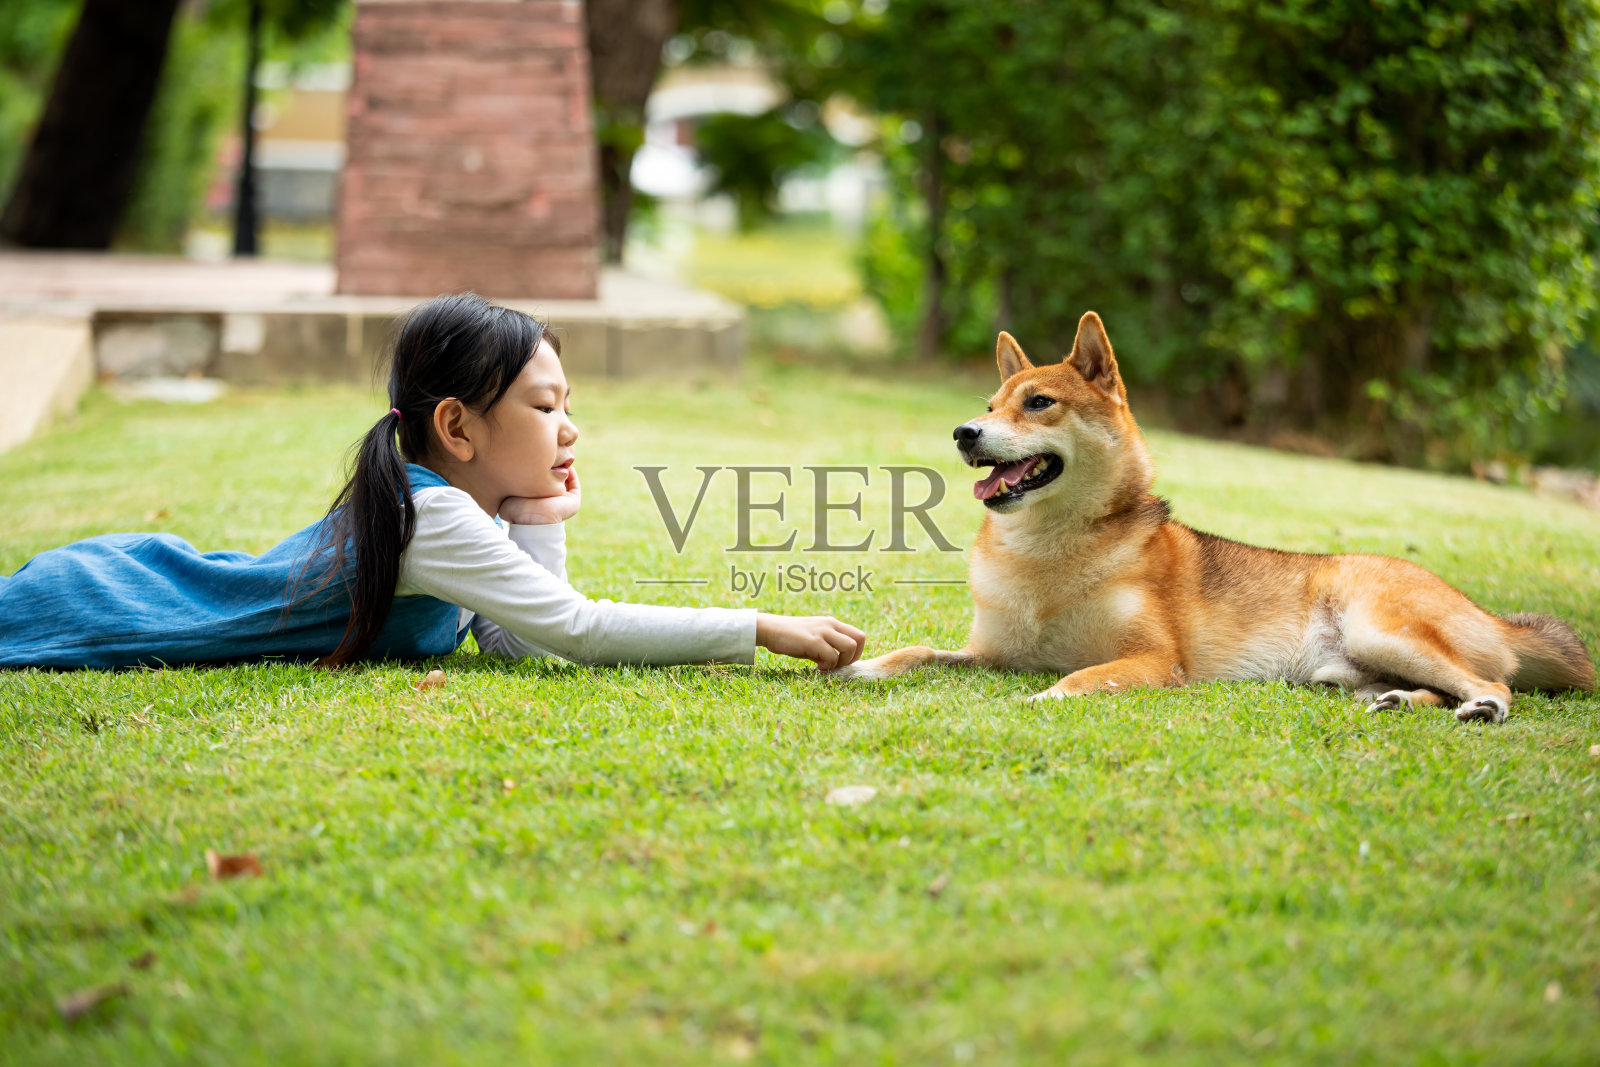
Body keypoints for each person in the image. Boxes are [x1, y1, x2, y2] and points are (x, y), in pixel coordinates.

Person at [0, 294, 867, 672]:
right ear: (456, 427)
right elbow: (576, 628)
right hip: (113, 599)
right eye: (543, 407)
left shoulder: (454, 515)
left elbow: (520, 638)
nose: (570, 429)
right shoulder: (434, 516)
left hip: (139, 583)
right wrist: (756, 626)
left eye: (570, 405)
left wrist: (535, 513)